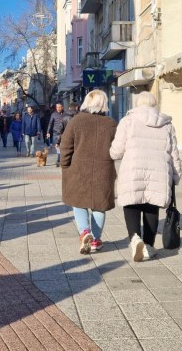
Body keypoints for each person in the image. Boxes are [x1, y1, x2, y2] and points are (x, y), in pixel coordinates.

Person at [110, 92, 181, 262]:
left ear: (137, 103)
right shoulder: (167, 124)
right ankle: (148, 245)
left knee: (132, 203)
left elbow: (117, 151)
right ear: (154, 104)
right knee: (152, 206)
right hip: (158, 170)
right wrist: (176, 175)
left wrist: (113, 153)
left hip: (133, 169)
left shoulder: (127, 121)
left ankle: (135, 240)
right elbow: (174, 153)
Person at [60, 90, 117, 254]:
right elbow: (118, 147)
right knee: (99, 205)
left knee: (79, 202)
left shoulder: (76, 121)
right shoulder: (111, 123)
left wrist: (65, 164)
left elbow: (66, 145)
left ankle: (85, 232)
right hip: (103, 169)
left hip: (78, 168)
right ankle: (96, 240)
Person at [46, 103, 69, 167]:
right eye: (57, 107)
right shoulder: (53, 114)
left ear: (62, 107)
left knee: (63, 146)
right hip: (56, 133)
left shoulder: (66, 114)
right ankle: (59, 159)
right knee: (57, 146)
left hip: (64, 132)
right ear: (56, 108)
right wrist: (48, 132)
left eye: (60, 107)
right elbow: (50, 123)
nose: (59, 108)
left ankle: (60, 160)